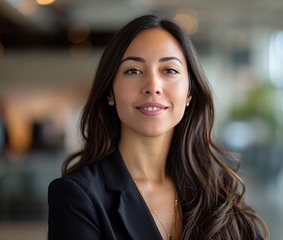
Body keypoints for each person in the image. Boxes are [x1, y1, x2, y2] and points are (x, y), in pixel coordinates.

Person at [48, 15, 268, 240]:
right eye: (133, 70)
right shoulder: (77, 196)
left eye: (169, 70)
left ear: (190, 92)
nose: (153, 86)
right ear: (109, 92)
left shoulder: (218, 187)